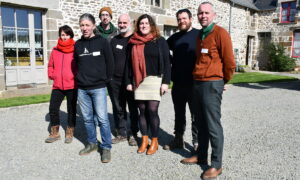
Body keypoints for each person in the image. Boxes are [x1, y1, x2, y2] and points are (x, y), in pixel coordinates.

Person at [180, 2, 236, 179]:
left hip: (212, 84)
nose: (203, 15)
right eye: (200, 13)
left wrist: (221, 81)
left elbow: (230, 63)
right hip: (198, 83)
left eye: (206, 13)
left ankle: (217, 165)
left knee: (213, 125)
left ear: (214, 15)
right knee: (200, 122)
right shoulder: (200, 35)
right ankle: (201, 155)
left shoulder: (220, 33)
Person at [125, 14, 171, 155]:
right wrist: (128, 82)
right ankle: (145, 140)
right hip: (139, 81)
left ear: (151, 25)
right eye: (141, 24)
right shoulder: (133, 42)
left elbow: (168, 63)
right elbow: (128, 64)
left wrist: (165, 83)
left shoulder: (160, 41)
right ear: (138, 26)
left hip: (155, 80)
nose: (144, 26)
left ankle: (155, 141)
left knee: (152, 110)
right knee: (142, 111)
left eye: (146, 23)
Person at [75, 13, 114, 163]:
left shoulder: (102, 42)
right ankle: (91, 143)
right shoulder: (78, 45)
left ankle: (106, 147)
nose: (84, 28)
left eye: (87, 25)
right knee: (87, 119)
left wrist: (106, 79)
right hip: (82, 88)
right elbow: (77, 64)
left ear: (93, 26)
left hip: (98, 87)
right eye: (82, 25)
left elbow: (110, 62)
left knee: (103, 119)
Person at [163, 8, 199, 152]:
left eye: (184, 18)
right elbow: (163, 50)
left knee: (195, 114)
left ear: (190, 19)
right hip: (178, 83)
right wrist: (172, 61)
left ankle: (196, 143)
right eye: (179, 19)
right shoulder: (174, 38)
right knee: (179, 113)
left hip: (194, 83)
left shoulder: (199, 35)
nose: (181, 21)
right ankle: (178, 139)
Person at [109, 14, 139, 146]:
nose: (122, 25)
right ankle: (121, 133)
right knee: (118, 107)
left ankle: (132, 133)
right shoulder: (114, 40)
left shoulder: (135, 40)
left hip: (131, 81)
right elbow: (108, 60)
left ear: (130, 23)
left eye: (124, 22)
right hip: (114, 81)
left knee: (133, 108)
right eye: (120, 22)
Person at [45, 25, 77, 144]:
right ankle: (55, 133)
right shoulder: (55, 50)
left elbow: (79, 65)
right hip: (57, 85)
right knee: (53, 108)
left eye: (67, 34)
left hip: (72, 85)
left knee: (71, 109)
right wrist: (52, 75)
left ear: (71, 35)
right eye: (62, 34)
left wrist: (75, 76)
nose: (64, 37)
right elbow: (50, 65)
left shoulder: (75, 49)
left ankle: (69, 132)